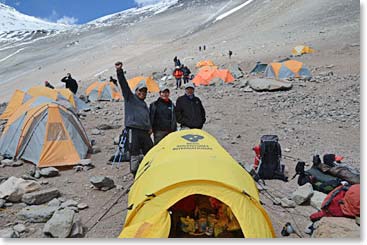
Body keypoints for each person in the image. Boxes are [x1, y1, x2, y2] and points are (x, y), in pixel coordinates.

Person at [115, 61, 153, 177]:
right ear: (136, 91)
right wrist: (119, 71)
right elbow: (124, 85)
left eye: (144, 91)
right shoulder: (130, 98)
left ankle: (149, 171)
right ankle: (135, 174)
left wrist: (150, 127)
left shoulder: (144, 104)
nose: (142, 93)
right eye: (140, 91)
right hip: (133, 130)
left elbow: (147, 117)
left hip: (145, 131)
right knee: (134, 152)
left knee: (150, 151)